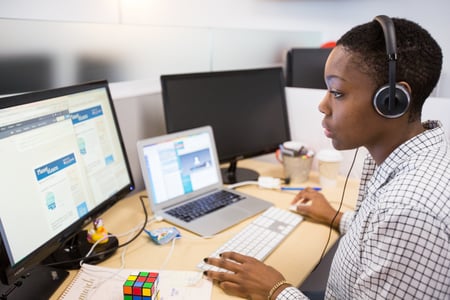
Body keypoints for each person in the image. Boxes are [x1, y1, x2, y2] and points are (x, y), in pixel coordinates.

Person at [202, 15, 449, 299]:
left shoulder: (409, 211)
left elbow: (397, 223)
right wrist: (334, 216)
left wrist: (275, 290)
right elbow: (378, 236)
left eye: (338, 92)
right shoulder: (404, 160)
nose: (323, 105)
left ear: (392, 100)